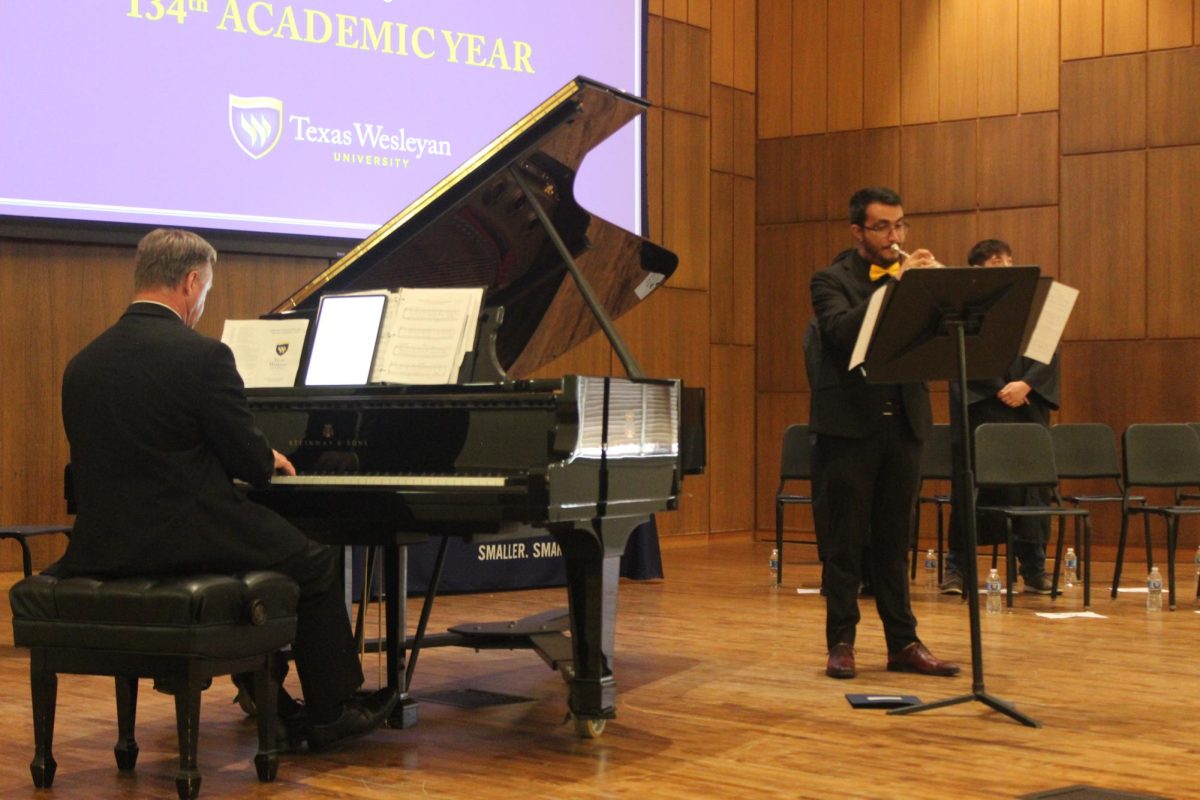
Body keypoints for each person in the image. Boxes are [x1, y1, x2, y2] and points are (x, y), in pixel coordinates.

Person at [47, 228, 396, 751]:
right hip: (184, 539)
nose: (203, 303)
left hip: (104, 547)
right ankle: (333, 710)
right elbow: (253, 467)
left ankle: (265, 693)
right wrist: (269, 456)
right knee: (314, 562)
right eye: (206, 291)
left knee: (272, 553)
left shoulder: (83, 365)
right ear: (191, 282)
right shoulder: (203, 357)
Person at [808, 187, 960, 680]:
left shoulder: (908, 279)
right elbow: (842, 331)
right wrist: (898, 285)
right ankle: (842, 642)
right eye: (882, 227)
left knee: (896, 543)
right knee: (845, 543)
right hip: (850, 427)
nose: (894, 236)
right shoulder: (830, 280)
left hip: (906, 424)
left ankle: (904, 642)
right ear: (858, 232)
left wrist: (936, 293)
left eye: (900, 226)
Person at [939, 239, 1061, 595]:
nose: (1007, 265)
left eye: (1010, 259)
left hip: (1028, 404)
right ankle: (957, 569)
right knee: (974, 486)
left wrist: (1025, 384)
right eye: (996, 261)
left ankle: (1034, 568)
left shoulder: (1037, 303)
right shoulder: (963, 306)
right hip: (984, 407)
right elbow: (963, 352)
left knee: (1032, 487)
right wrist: (998, 387)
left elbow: (1050, 353)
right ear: (976, 271)